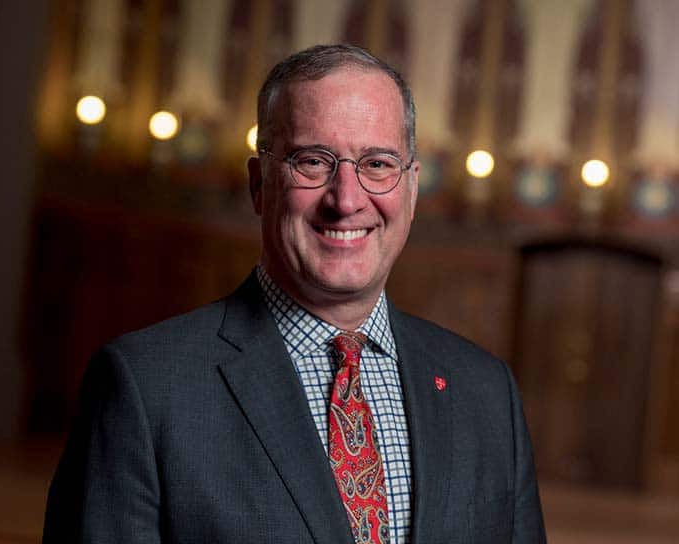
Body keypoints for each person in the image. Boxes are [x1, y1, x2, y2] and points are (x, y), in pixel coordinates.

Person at [43, 44, 546, 543]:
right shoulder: (146, 388)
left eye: (376, 164)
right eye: (313, 161)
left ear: (411, 189)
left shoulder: (486, 392)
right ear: (260, 185)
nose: (346, 200)